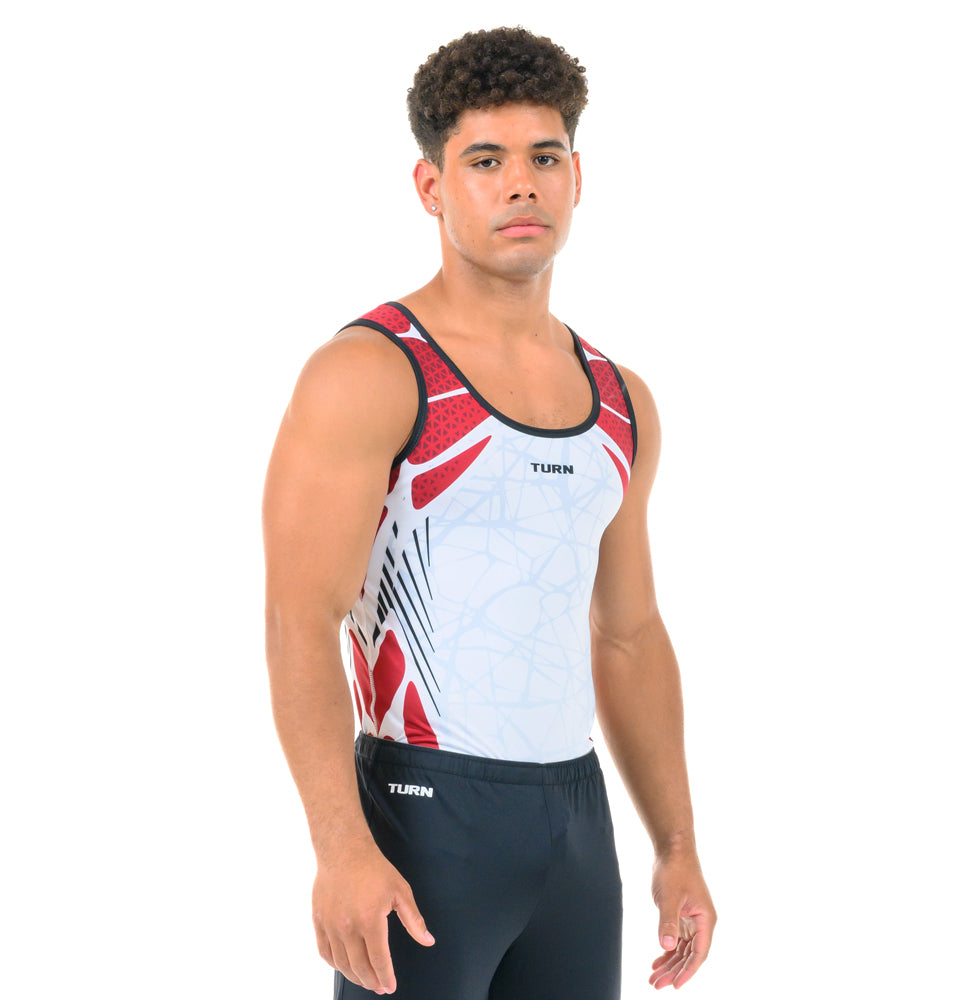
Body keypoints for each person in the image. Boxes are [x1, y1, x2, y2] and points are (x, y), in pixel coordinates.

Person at [263, 26, 716, 999]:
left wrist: (677, 846)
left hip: (575, 829)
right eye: (485, 161)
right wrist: (340, 847)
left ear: (576, 177)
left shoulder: (620, 400)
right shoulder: (371, 373)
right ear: (431, 186)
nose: (521, 185)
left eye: (544, 158)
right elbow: (300, 618)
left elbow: (629, 634)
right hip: (425, 815)